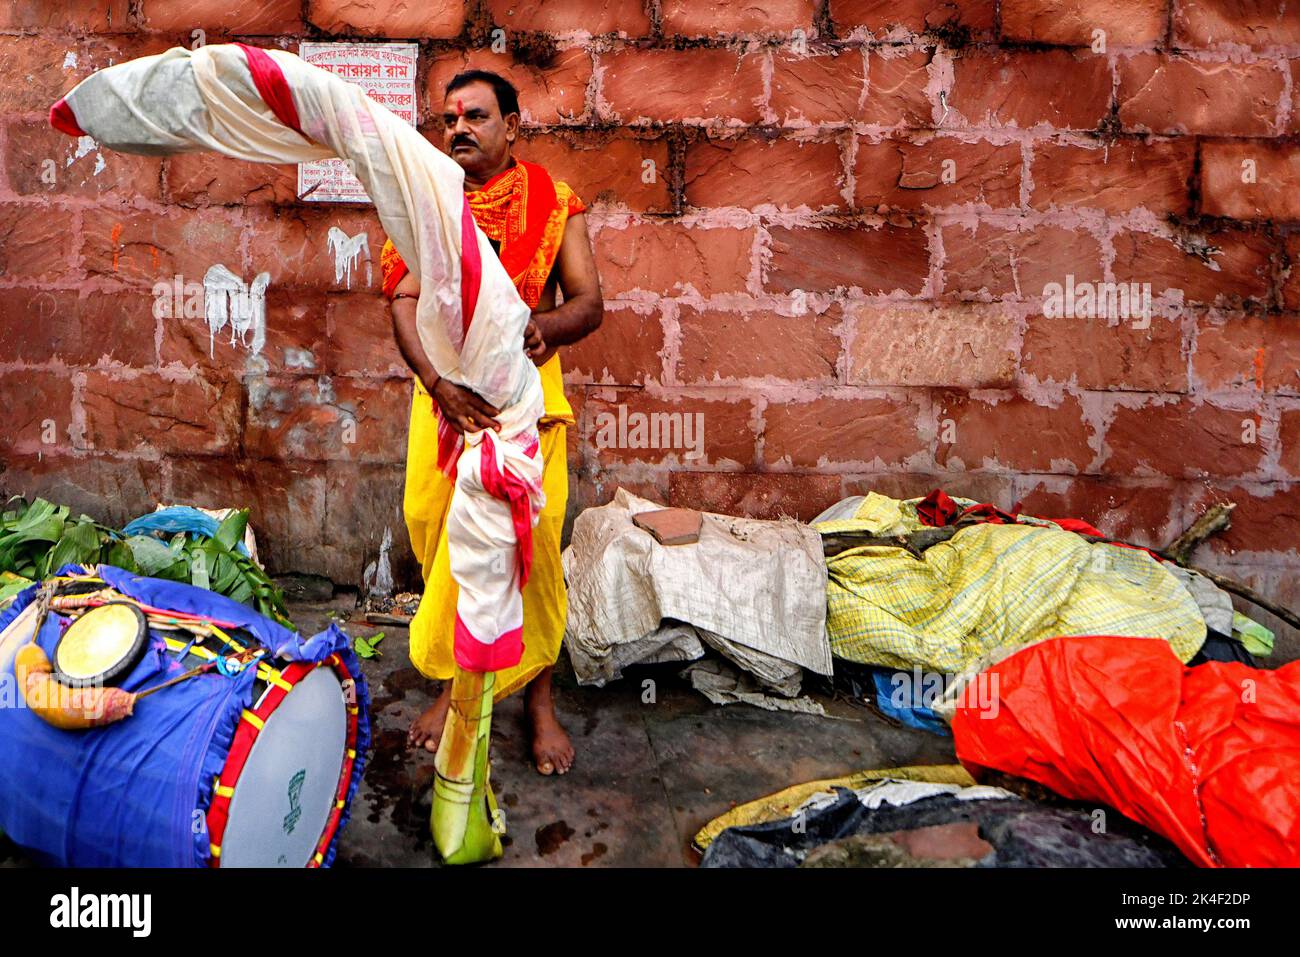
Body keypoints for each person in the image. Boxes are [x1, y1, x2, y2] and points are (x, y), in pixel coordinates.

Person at [382, 69, 603, 775]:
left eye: (476, 116)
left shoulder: (552, 201)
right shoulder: (429, 199)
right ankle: (458, 690)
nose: (459, 129)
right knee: (441, 532)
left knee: (528, 542)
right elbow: (401, 301)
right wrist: (440, 384)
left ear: (513, 125)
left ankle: (538, 700)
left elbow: (590, 302)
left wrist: (546, 328)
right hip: (447, 403)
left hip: (528, 403)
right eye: (449, 119)